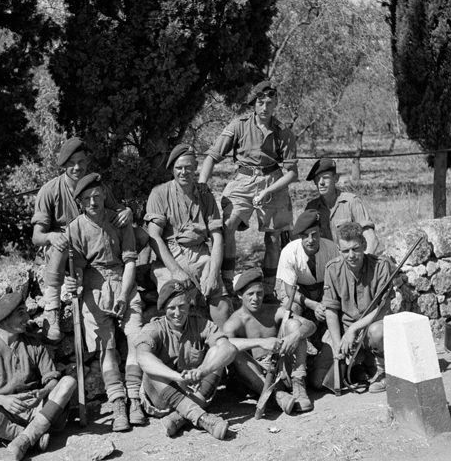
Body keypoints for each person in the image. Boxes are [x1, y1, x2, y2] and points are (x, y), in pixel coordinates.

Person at [31, 136, 142, 342]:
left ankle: (137, 274)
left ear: (87, 162)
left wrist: (127, 211)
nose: (76, 167)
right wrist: (52, 236)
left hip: (92, 245)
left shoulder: (97, 186)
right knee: (62, 243)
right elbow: (36, 237)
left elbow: (115, 212)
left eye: (81, 161)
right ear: (64, 165)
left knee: (141, 235)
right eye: (71, 163)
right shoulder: (49, 191)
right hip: (62, 249)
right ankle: (52, 310)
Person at [198, 81, 298, 298]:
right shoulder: (239, 125)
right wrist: (202, 185)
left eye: (269, 103)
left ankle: (270, 289)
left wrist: (268, 191)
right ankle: (226, 282)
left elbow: (292, 173)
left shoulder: (283, 132)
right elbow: (212, 156)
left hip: (274, 180)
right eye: (260, 103)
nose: (265, 108)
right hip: (243, 179)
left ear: (276, 104)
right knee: (227, 225)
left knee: (274, 237)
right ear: (254, 104)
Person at [62, 173, 146, 431]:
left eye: (97, 196)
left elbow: (131, 260)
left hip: (124, 281)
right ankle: (118, 403)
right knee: (106, 347)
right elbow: (75, 266)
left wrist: (123, 295)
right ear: (80, 202)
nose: (93, 202)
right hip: (94, 286)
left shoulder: (119, 220)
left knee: (136, 340)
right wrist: (74, 280)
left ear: (104, 196)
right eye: (87, 198)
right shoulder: (74, 228)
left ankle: (134, 399)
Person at [0, 292, 76, 461]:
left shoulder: (34, 344)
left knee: (68, 382)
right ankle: (30, 437)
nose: (27, 318)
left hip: (38, 411)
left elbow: (52, 380)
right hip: (5, 415)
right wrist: (3, 401)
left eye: (26, 312)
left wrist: (42, 393)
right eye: (21, 313)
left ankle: (22, 440)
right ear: (5, 319)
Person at [135, 279, 238, 439]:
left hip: (195, 393)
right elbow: (141, 356)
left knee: (217, 350)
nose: (178, 313)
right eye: (171, 308)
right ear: (163, 309)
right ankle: (203, 419)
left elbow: (229, 349)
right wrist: (176, 377)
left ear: (189, 304)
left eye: (182, 306)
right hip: (162, 399)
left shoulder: (201, 325)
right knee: (151, 364)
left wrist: (204, 370)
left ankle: (179, 418)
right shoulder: (154, 328)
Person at [145, 144, 230, 327]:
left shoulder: (205, 195)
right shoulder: (159, 194)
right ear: (172, 169)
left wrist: (214, 273)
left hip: (201, 253)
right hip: (171, 255)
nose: (184, 172)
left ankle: (224, 343)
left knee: (220, 299)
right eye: (179, 168)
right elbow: (154, 237)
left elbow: (217, 235)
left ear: (196, 167)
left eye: (188, 167)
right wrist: (176, 270)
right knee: (175, 302)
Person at [312, 222, 393, 393]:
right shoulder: (332, 269)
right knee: (319, 382)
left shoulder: (381, 266)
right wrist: (337, 346)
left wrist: (354, 329)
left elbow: (382, 309)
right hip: (345, 332)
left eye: (355, 249)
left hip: (371, 327)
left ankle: (383, 371)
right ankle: (356, 368)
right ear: (337, 249)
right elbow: (331, 310)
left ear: (364, 244)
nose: (351, 255)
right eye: (345, 251)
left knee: (378, 331)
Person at [223, 269, 316, 414]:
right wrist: (260, 342)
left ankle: (299, 386)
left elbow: (310, 325)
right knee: (234, 351)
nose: (256, 298)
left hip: (284, 366)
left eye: (259, 293)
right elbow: (224, 344)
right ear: (240, 295)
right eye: (250, 294)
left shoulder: (274, 311)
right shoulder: (234, 322)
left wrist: (295, 335)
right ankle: (275, 395)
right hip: (259, 375)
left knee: (294, 325)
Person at [305, 157, 379, 254]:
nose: (321, 183)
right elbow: (306, 241)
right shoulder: (312, 208)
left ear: (336, 178)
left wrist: (363, 265)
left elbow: (372, 241)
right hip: (326, 264)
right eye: (318, 179)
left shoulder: (351, 202)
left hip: (352, 260)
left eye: (326, 177)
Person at [276, 209, 339, 318]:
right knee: (292, 310)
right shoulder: (289, 252)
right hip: (297, 289)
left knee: (331, 309)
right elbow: (290, 290)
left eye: (314, 234)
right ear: (300, 235)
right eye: (306, 235)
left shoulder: (332, 248)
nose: (311, 240)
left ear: (321, 231)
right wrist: (314, 305)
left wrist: (325, 303)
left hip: (324, 288)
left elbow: (338, 282)